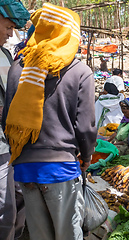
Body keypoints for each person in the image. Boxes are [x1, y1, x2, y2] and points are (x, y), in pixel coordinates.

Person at [3, 3, 97, 240]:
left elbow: (8, 121)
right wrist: (86, 158)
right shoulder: (79, 71)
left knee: (40, 236)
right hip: (60, 169)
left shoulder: (18, 68)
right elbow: (85, 127)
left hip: (25, 169)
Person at [0, 1, 29, 239]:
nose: (11, 34)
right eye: (8, 27)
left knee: (17, 201)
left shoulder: (5, 55)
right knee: (5, 211)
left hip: (10, 145)